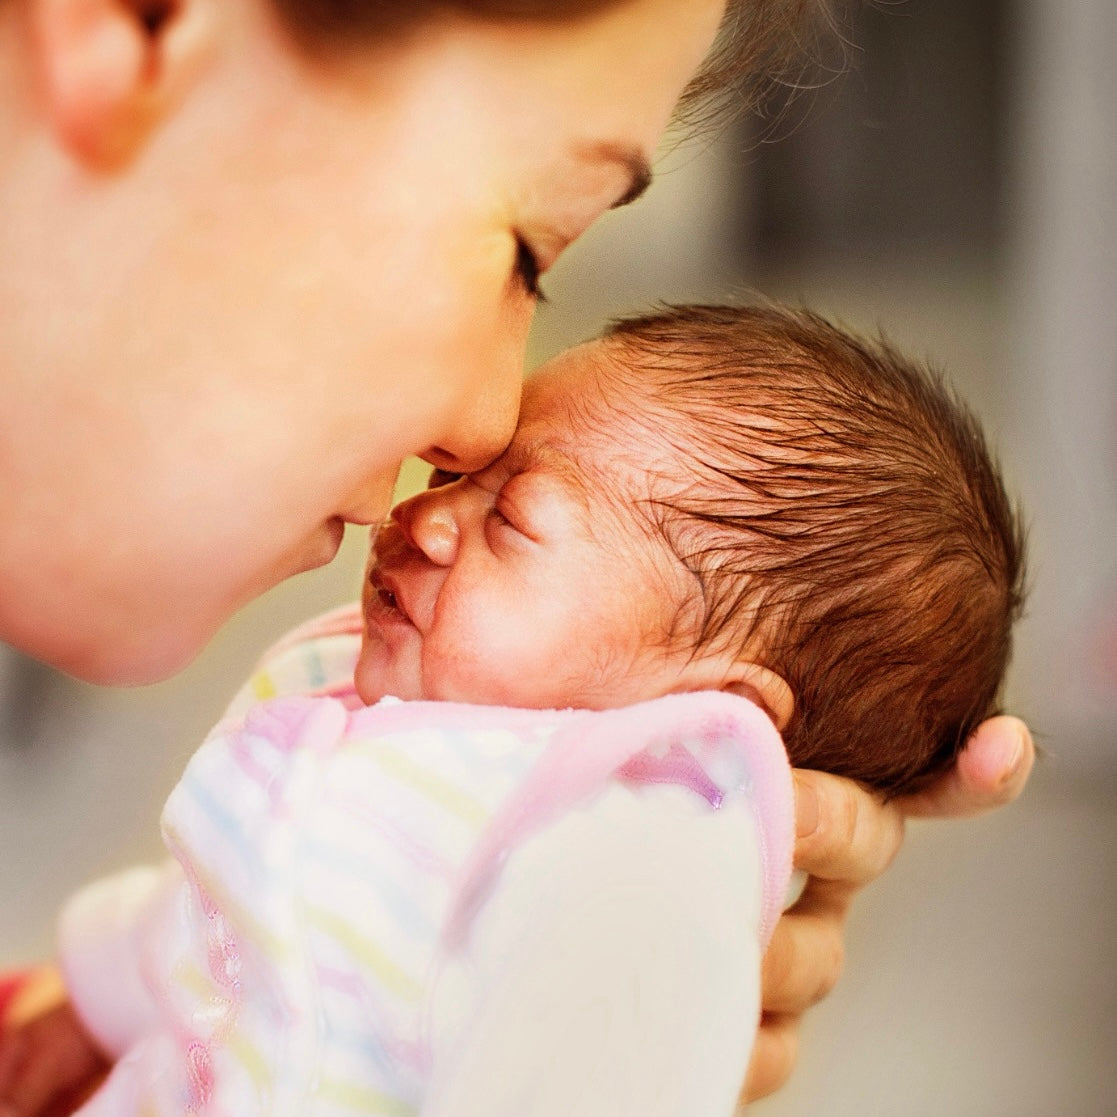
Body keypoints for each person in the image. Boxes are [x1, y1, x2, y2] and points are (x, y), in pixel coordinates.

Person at [0, 0, 1036, 1111]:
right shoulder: (356, 709)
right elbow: (205, 912)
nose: (481, 427)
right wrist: (101, 998)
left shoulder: (627, 842)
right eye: (531, 250)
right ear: (133, 25)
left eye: (515, 518)